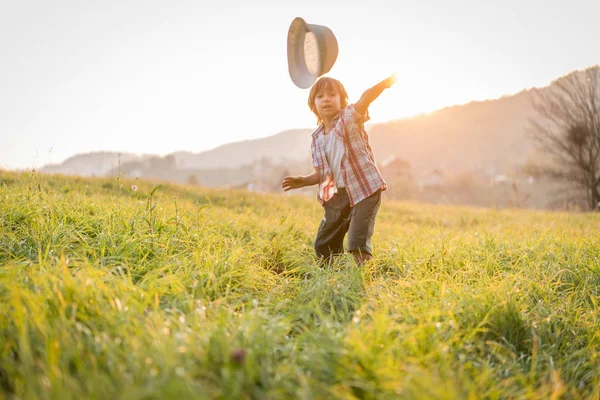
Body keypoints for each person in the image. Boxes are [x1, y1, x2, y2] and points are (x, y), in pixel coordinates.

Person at [282, 74, 396, 265]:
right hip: (338, 195)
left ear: (342, 100)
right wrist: (303, 180)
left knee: (357, 240)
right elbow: (321, 174)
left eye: (332, 94)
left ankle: (360, 276)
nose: (326, 99)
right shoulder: (317, 139)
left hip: (364, 188)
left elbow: (365, 99)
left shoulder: (348, 118)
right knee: (324, 243)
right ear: (313, 105)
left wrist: (383, 85)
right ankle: (332, 273)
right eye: (320, 96)